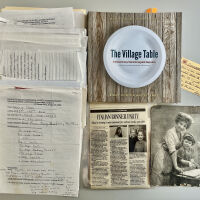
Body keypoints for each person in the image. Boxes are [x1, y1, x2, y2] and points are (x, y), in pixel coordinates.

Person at [151, 112, 193, 186]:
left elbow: (184, 144)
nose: (182, 127)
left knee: (167, 180)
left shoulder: (182, 133)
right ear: (177, 122)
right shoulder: (170, 133)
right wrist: (176, 166)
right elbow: (173, 151)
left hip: (170, 158)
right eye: (180, 124)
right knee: (158, 179)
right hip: (163, 156)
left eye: (184, 126)